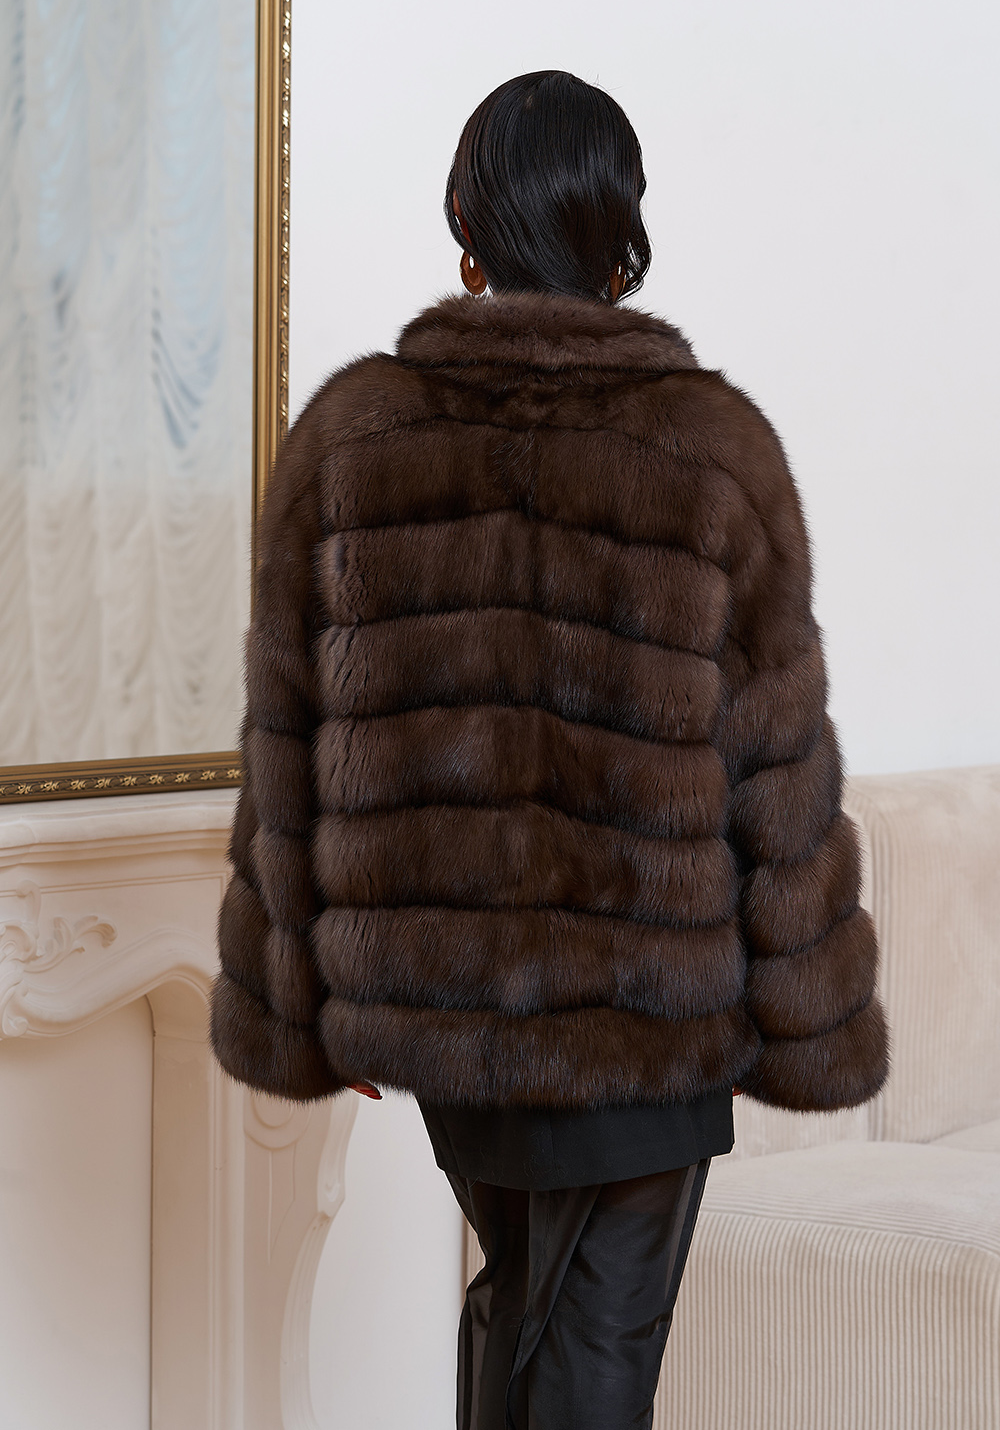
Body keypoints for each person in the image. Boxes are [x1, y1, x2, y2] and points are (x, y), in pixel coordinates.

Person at [210, 70, 889, 1430]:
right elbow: (778, 763)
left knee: (523, 1312)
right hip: (652, 1021)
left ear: (468, 221)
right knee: (588, 1350)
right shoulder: (710, 447)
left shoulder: (355, 437)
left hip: (451, 1020)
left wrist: (302, 994)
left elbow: (289, 739)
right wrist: (808, 1018)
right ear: (617, 226)